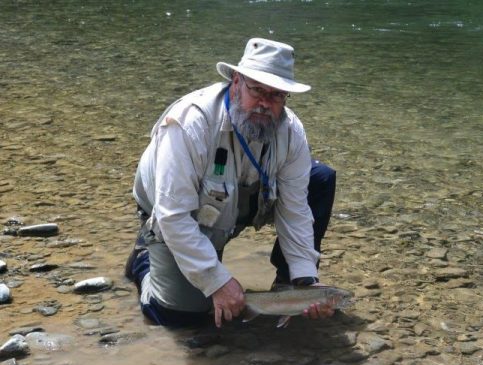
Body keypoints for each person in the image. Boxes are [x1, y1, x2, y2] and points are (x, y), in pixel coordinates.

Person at [125, 38, 337, 328]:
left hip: (233, 202)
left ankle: (286, 289)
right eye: (257, 90)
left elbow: (295, 211)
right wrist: (216, 281)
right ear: (236, 82)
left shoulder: (291, 131)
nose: (265, 103)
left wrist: (305, 278)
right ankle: (144, 259)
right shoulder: (191, 123)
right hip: (170, 210)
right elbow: (173, 215)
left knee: (320, 178)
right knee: (180, 317)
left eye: (276, 95)